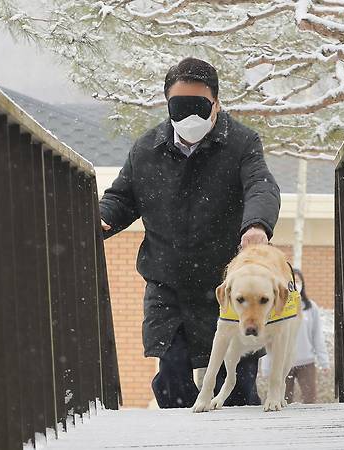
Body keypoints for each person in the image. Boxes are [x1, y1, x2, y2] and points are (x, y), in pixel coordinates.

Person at [99, 57, 280, 408]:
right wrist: (103, 218)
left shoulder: (241, 143)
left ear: (216, 103)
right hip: (169, 286)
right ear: (167, 105)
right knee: (171, 382)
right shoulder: (147, 149)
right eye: (179, 106)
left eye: (199, 106)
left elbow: (261, 186)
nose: (190, 116)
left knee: (236, 389)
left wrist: (255, 225)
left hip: (228, 289)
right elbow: (121, 198)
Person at [261, 268, 330, 404]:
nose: (296, 284)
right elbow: (269, 340)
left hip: (306, 362)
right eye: (293, 282)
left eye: (298, 281)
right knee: (283, 399)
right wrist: (266, 366)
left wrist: (324, 361)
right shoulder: (277, 309)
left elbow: (317, 336)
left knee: (310, 400)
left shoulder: (311, 308)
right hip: (283, 363)